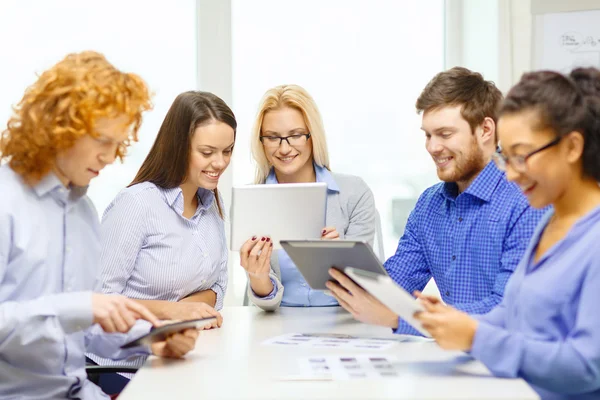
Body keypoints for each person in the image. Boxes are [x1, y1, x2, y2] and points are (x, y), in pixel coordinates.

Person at [0, 51, 199, 399]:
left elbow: (84, 329)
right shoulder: (7, 202)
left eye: (118, 144)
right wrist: (77, 307)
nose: (110, 158)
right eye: (102, 141)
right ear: (57, 128)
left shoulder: (84, 212)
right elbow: (71, 313)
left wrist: (149, 339)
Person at [413, 68, 600, 400]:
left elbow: (587, 368)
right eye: (505, 157)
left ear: (572, 147)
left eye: (522, 157)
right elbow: (514, 312)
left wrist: (476, 337)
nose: (510, 174)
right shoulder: (551, 222)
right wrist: (453, 320)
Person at [326, 67, 545, 335]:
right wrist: (344, 262)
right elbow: (394, 285)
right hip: (454, 358)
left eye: (445, 134)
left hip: (513, 365)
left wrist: (400, 319)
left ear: (486, 129)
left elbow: (508, 310)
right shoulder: (430, 205)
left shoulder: (528, 200)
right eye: (428, 135)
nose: (432, 147)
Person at [88, 91, 234, 390]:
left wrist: (189, 311)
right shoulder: (137, 204)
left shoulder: (212, 204)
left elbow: (218, 286)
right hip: (124, 369)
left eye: (227, 151)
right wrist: (174, 311)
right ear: (180, 147)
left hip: (181, 359)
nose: (219, 163)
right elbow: (97, 302)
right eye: (207, 152)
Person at [239, 84, 377, 310]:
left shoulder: (354, 192)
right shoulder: (253, 201)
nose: (284, 149)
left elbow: (363, 285)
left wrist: (334, 261)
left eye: (295, 136)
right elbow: (265, 300)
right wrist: (258, 277)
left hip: (343, 324)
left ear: (313, 136)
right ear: (261, 142)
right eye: (273, 137)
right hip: (275, 324)